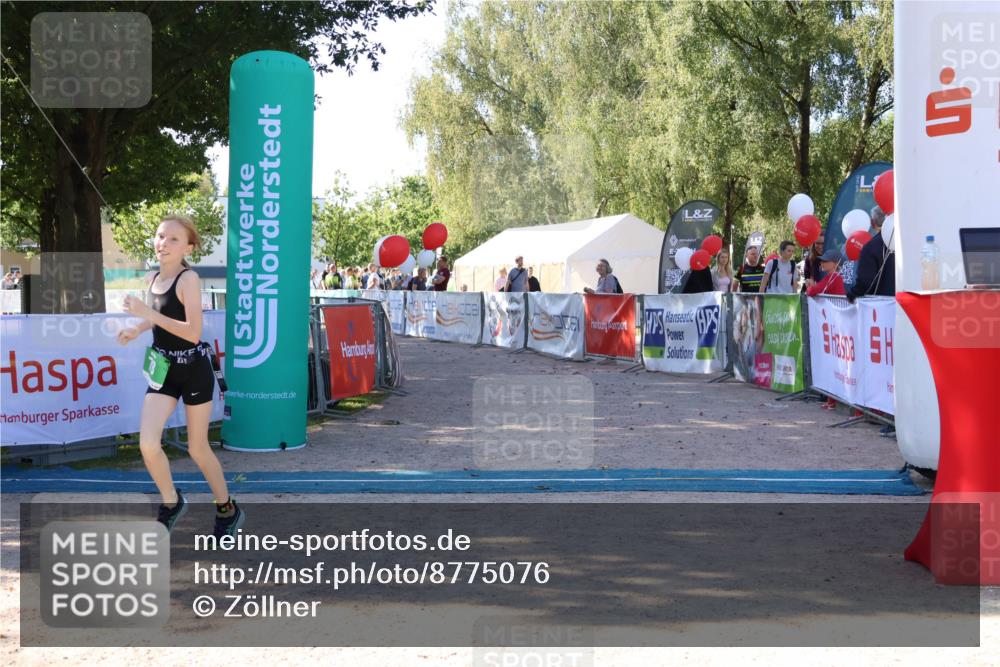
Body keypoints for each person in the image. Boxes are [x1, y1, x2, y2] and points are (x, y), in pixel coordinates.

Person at [118, 216, 244, 537]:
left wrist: (146, 314)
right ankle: (171, 502)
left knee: (197, 449)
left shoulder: (190, 279)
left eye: (174, 239)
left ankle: (227, 508)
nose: (163, 242)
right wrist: (136, 329)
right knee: (147, 444)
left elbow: (192, 333)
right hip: (164, 371)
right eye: (160, 236)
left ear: (189, 247)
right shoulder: (152, 278)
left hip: (194, 370)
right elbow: (159, 317)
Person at [848, 231, 895, 299]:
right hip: (906, 303)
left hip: (880, 302)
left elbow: (865, 281)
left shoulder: (871, 247)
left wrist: (853, 294)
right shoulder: (909, 241)